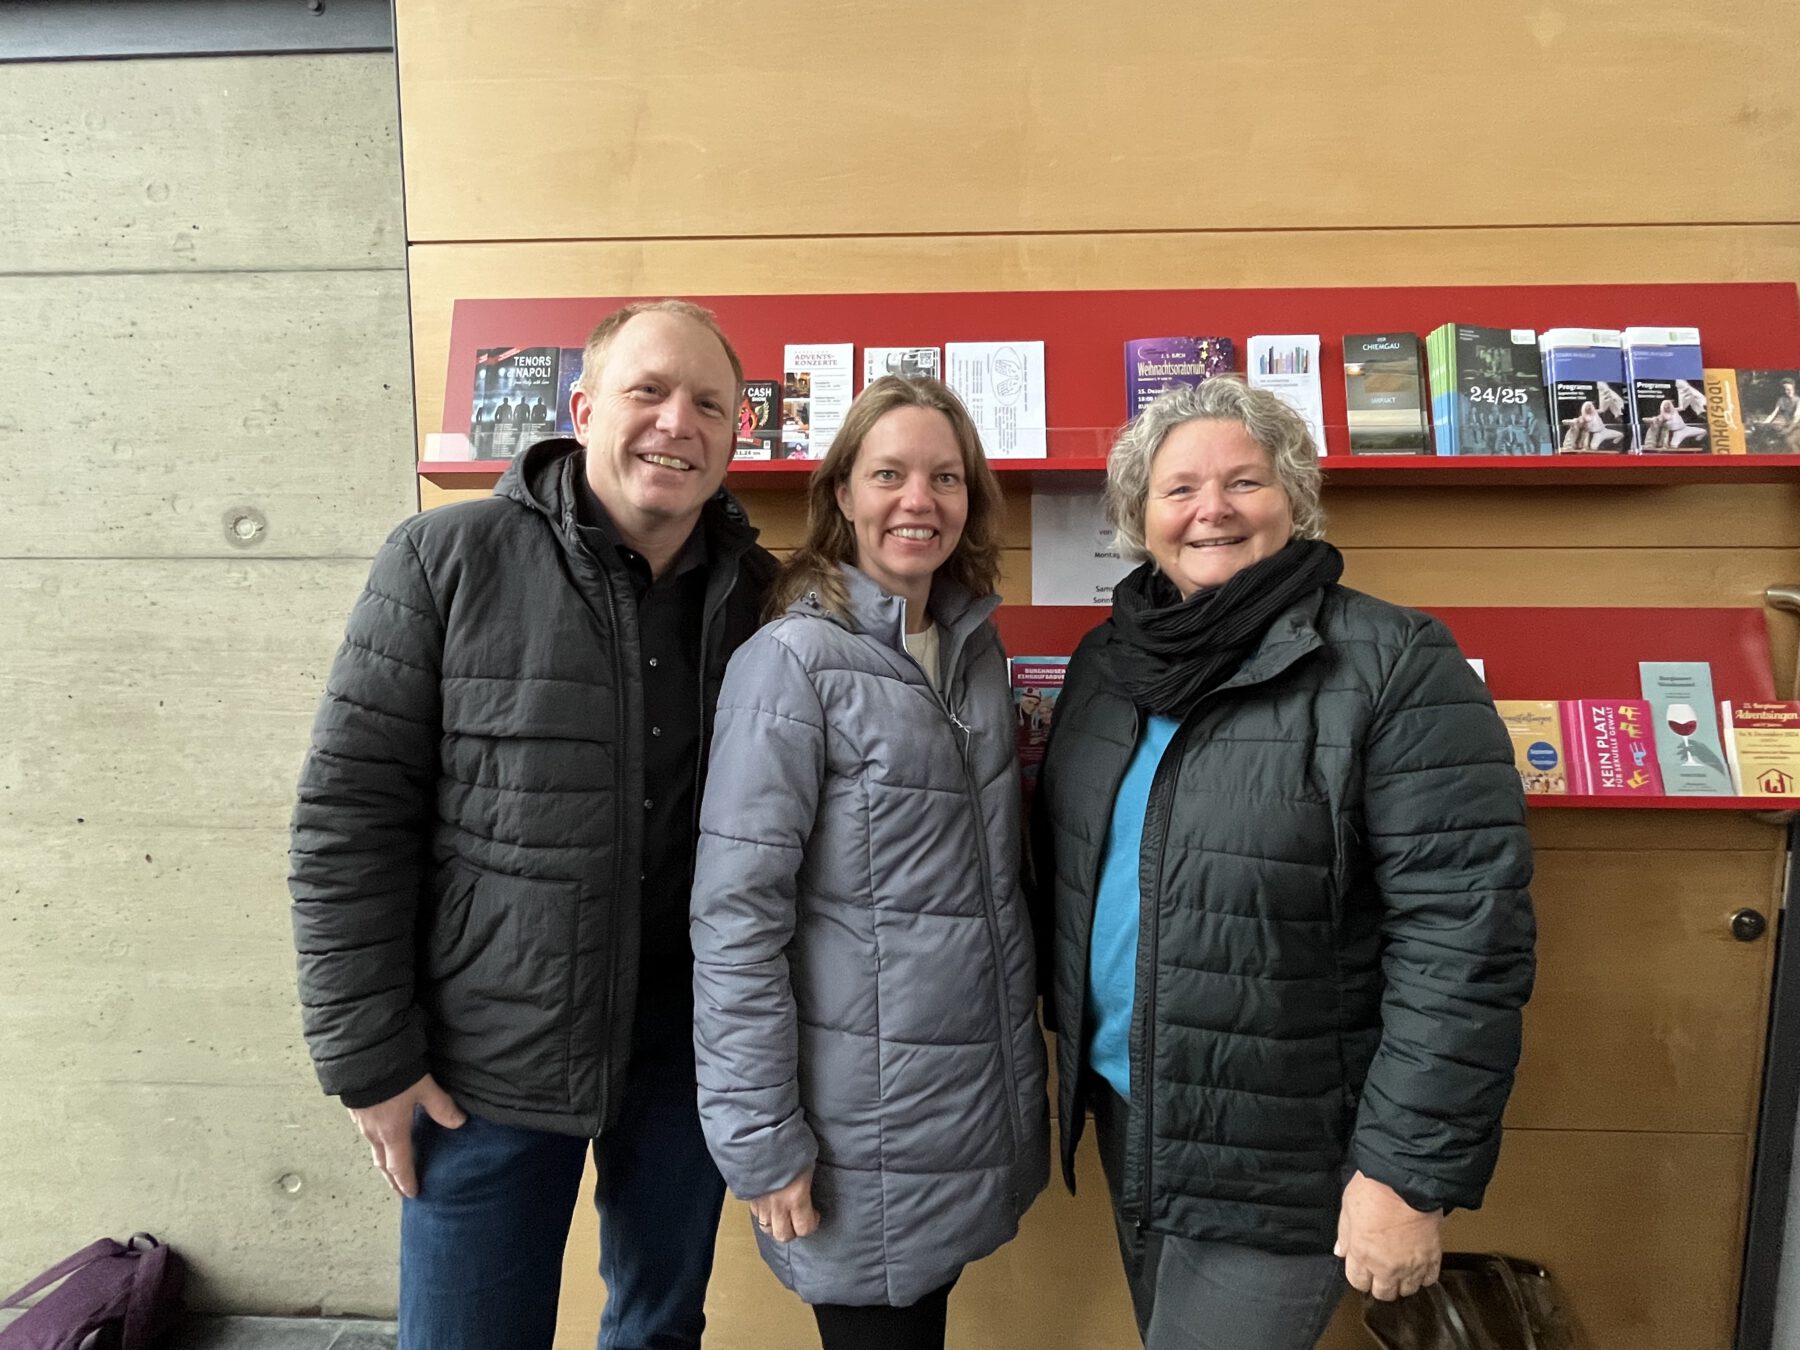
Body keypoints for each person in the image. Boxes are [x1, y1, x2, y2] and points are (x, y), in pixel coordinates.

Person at [289, 299, 777, 1350]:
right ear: (584, 409)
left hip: (687, 1059)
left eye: (709, 405)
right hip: (485, 1063)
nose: (677, 423)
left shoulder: (763, 599)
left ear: (737, 435)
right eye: (649, 392)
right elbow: (348, 820)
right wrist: (369, 1058)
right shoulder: (444, 558)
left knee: (659, 1332)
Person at [1031, 378, 1536, 1350]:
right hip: (1135, 1117)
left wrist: (1406, 1175)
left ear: (1295, 498)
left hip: (1287, 1153)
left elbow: (1467, 940)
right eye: (1179, 489)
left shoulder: (1393, 663)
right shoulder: (1107, 663)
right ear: (1140, 517)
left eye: (1244, 482)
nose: (1211, 509)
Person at [689, 375, 1050, 1350]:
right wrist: (762, 1141)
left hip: (956, 1121)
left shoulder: (974, 650)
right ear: (842, 492)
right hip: (851, 1137)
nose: (917, 501)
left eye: (944, 477)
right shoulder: (790, 664)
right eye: (888, 474)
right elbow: (735, 922)